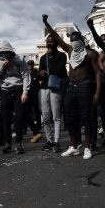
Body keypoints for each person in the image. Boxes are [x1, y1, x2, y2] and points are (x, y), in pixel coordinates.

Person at [42, 14, 101, 159]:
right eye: (71, 41)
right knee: (70, 118)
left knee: (86, 118)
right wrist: (46, 22)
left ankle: (87, 148)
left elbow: (98, 74)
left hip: (85, 86)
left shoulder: (89, 55)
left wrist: (97, 92)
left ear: (81, 41)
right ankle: (74, 146)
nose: (73, 43)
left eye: (76, 40)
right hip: (71, 87)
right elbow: (56, 37)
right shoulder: (70, 51)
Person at [0, 39, 30, 154]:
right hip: (5, 91)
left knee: (18, 118)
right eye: (2, 52)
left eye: (7, 52)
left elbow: (26, 75)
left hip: (18, 90)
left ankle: (19, 143)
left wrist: (25, 92)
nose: (4, 54)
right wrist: (2, 67)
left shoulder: (19, 59)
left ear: (11, 51)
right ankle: (8, 144)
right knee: (6, 118)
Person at [39, 21, 67, 153]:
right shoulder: (43, 57)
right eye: (48, 41)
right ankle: (48, 140)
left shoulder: (61, 56)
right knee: (45, 117)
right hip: (44, 87)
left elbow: (61, 71)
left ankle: (56, 141)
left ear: (55, 43)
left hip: (55, 87)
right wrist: (41, 73)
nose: (49, 43)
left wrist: (51, 58)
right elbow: (40, 74)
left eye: (52, 41)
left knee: (56, 115)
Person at [26, 60, 42, 143]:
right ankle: (27, 129)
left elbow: (40, 83)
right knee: (28, 112)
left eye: (31, 64)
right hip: (28, 95)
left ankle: (38, 127)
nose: (29, 66)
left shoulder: (37, 73)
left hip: (35, 95)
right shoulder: (26, 73)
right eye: (28, 64)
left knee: (37, 112)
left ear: (33, 65)